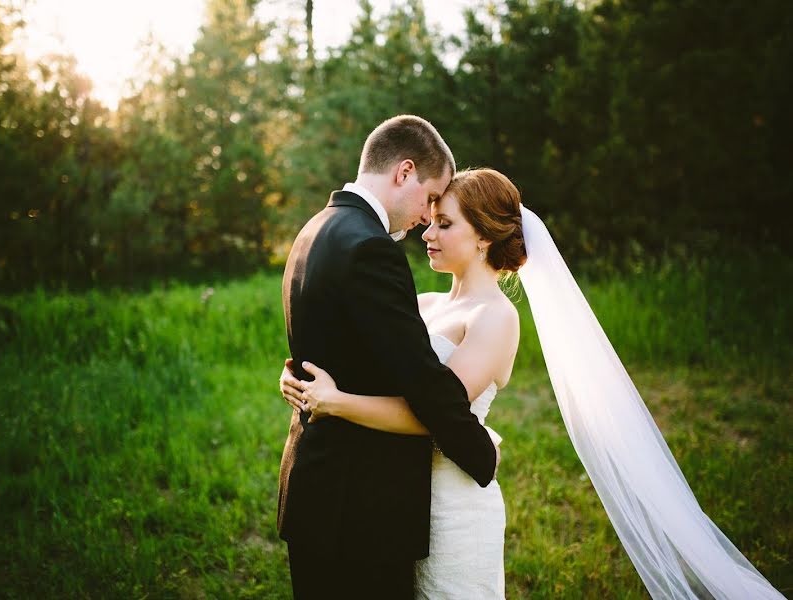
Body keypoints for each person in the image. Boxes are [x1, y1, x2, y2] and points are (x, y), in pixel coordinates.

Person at [282, 168, 787, 599]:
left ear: (482, 237)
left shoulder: (496, 318)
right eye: (430, 220)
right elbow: (377, 365)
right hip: (398, 500)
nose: (426, 233)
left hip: (455, 503)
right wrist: (301, 373)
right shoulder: (425, 304)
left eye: (443, 223)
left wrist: (337, 403)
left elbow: (438, 412)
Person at [277, 115, 500, 599]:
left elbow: (330, 343)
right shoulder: (370, 248)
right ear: (404, 172)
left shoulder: (314, 230)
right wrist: (480, 452)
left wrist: (295, 377)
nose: (425, 217)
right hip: (360, 508)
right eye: (429, 199)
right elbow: (423, 381)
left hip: (315, 491)